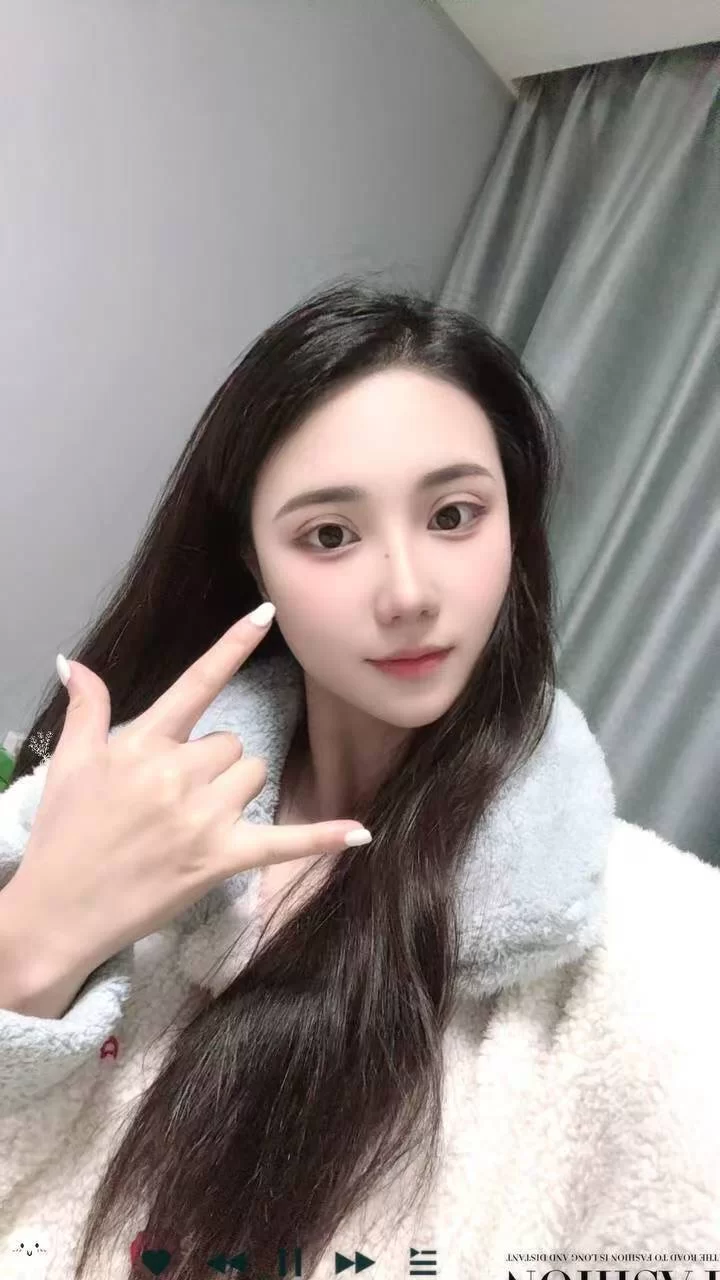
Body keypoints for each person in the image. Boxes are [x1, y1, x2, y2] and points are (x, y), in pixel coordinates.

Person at [0, 278, 718, 1280]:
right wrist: (30, 947)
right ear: (253, 561)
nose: (409, 592)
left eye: (455, 514)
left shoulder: (663, 946)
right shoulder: (81, 821)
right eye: (330, 534)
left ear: (516, 528)